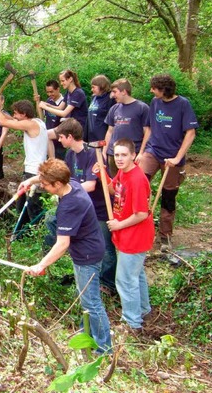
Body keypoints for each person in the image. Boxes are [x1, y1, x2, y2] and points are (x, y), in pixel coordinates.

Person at [21, 159, 112, 354]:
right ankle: (86, 332)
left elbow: (62, 244)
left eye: (45, 185)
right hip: (90, 248)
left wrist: (40, 265)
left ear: (58, 184)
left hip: (87, 255)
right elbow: (47, 178)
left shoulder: (70, 206)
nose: (43, 186)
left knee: (91, 302)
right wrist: (32, 182)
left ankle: (104, 347)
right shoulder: (73, 185)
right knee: (86, 297)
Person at [50, 119, 117, 294]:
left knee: (105, 247)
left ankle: (108, 283)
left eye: (61, 138)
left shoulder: (92, 154)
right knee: (52, 220)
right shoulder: (71, 154)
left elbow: (90, 185)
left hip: (100, 207)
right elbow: (68, 180)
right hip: (82, 208)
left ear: (70, 137)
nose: (59, 141)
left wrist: (66, 192)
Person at [96, 138, 154, 333]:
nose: (119, 159)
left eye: (124, 155)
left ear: (133, 155)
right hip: (125, 235)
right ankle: (144, 310)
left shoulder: (137, 179)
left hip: (135, 237)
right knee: (136, 275)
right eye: (117, 154)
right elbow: (114, 189)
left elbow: (142, 214)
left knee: (125, 279)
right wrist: (101, 173)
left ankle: (132, 323)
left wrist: (119, 224)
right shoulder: (123, 172)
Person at [137, 74, 199, 251]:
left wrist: (178, 158)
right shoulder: (155, 102)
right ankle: (138, 225)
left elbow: (190, 133)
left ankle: (165, 236)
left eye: (154, 88)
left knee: (168, 197)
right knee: (139, 184)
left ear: (164, 89)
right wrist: (142, 152)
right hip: (153, 151)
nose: (151, 90)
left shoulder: (183, 104)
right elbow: (148, 128)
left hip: (172, 157)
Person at [0, 94, 48, 238]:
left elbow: (3, 122)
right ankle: (21, 236)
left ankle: (39, 238)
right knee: (21, 205)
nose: (14, 115)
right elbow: (10, 120)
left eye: (16, 113)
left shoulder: (30, 124)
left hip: (34, 173)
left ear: (24, 114)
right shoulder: (37, 122)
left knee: (33, 208)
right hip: (31, 171)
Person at [102, 78, 150, 175]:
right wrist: (104, 151)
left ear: (124, 92)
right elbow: (109, 131)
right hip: (113, 154)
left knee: (131, 184)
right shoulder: (114, 108)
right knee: (117, 185)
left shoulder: (142, 108)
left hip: (131, 154)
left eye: (115, 92)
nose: (112, 95)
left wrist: (141, 153)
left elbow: (148, 132)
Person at [40, 79, 66, 159]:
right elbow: (42, 117)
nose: (49, 94)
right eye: (47, 92)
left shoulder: (65, 103)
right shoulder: (49, 101)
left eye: (51, 92)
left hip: (59, 143)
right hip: (47, 140)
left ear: (58, 89)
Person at [85, 75, 115, 143]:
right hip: (91, 137)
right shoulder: (94, 97)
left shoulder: (110, 99)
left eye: (93, 87)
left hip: (102, 137)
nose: (91, 90)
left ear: (101, 86)